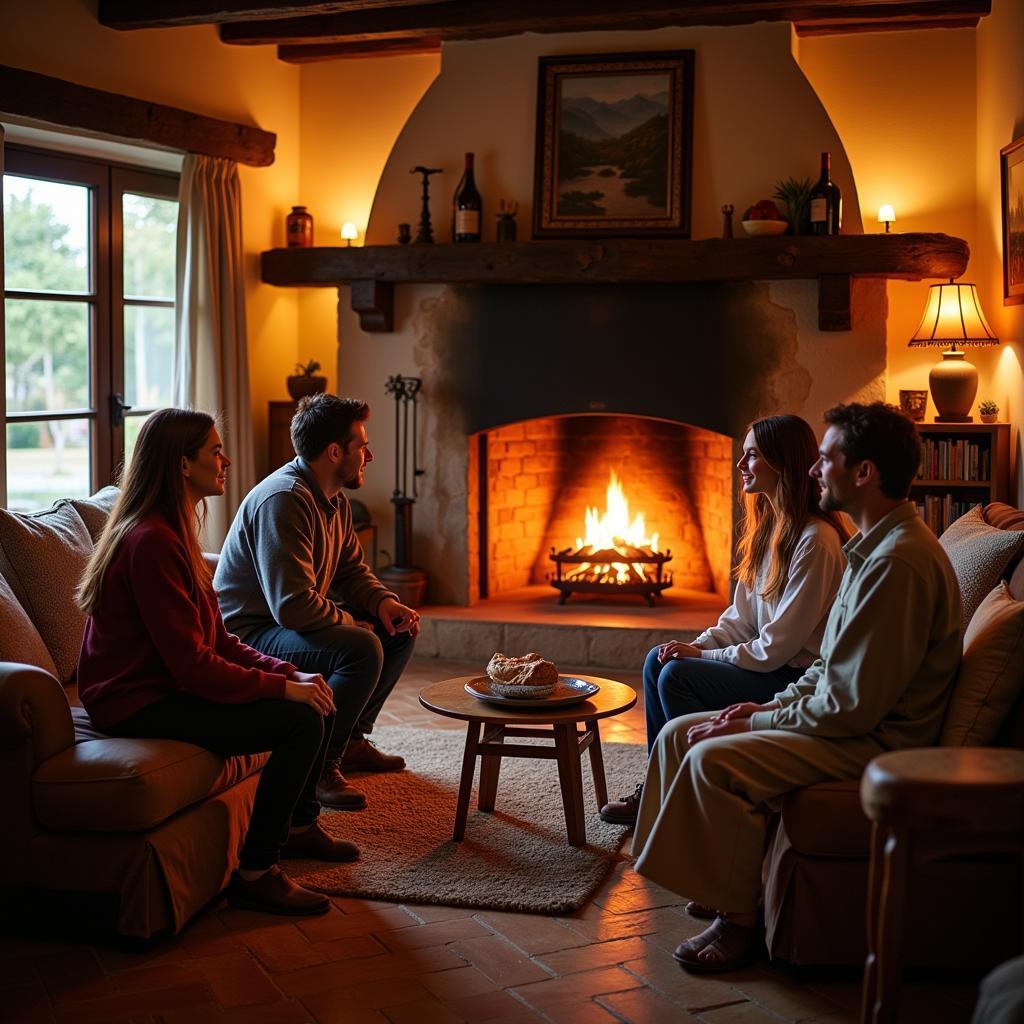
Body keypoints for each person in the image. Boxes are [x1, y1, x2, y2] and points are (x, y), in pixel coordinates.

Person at [632, 402, 962, 973]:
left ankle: (740, 922)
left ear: (864, 473)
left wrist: (757, 720)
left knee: (712, 758)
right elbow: (828, 670)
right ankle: (711, 880)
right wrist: (764, 704)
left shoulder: (896, 565)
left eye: (826, 458)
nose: (813, 470)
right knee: (679, 734)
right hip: (844, 719)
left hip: (878, 742)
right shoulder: (871, 550)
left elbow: (851, 707)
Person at [77, 409, 356, 919]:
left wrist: (291, 674)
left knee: (317, 694)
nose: (226, 460)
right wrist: (281, 691)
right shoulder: (152, 542)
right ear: (183, 465)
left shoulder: (174, 531)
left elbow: (219, 640)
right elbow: (193, 666)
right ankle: (256, 875)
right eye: (215, 451)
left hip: (164, 686)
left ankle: (297, 825)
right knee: (300, 721)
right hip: (134, 702)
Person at [601, 414, 849, 827]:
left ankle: (688, 802)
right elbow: (739, 619)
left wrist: (700, 657)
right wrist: (698, 645)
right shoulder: (770, 530)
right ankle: (660, 786)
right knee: (658, 661)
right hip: (770, 666)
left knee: (677, 677)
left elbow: (774, 650)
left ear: (781, 463)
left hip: (791, 678)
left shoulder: (815, 542)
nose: (740, 466)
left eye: (751, 456)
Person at [215, 394, 419, 811]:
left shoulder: (333, 499)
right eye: (362, 445)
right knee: (362, 646)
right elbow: (291, 606)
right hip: (250, 632)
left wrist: (383, 604)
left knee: (396, 632)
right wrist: (350, 622)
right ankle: (321, 767)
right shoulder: (284, 499)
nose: (370, 454)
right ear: (334, 451)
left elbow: (350, 570)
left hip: (282, 623)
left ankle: (352, 740)